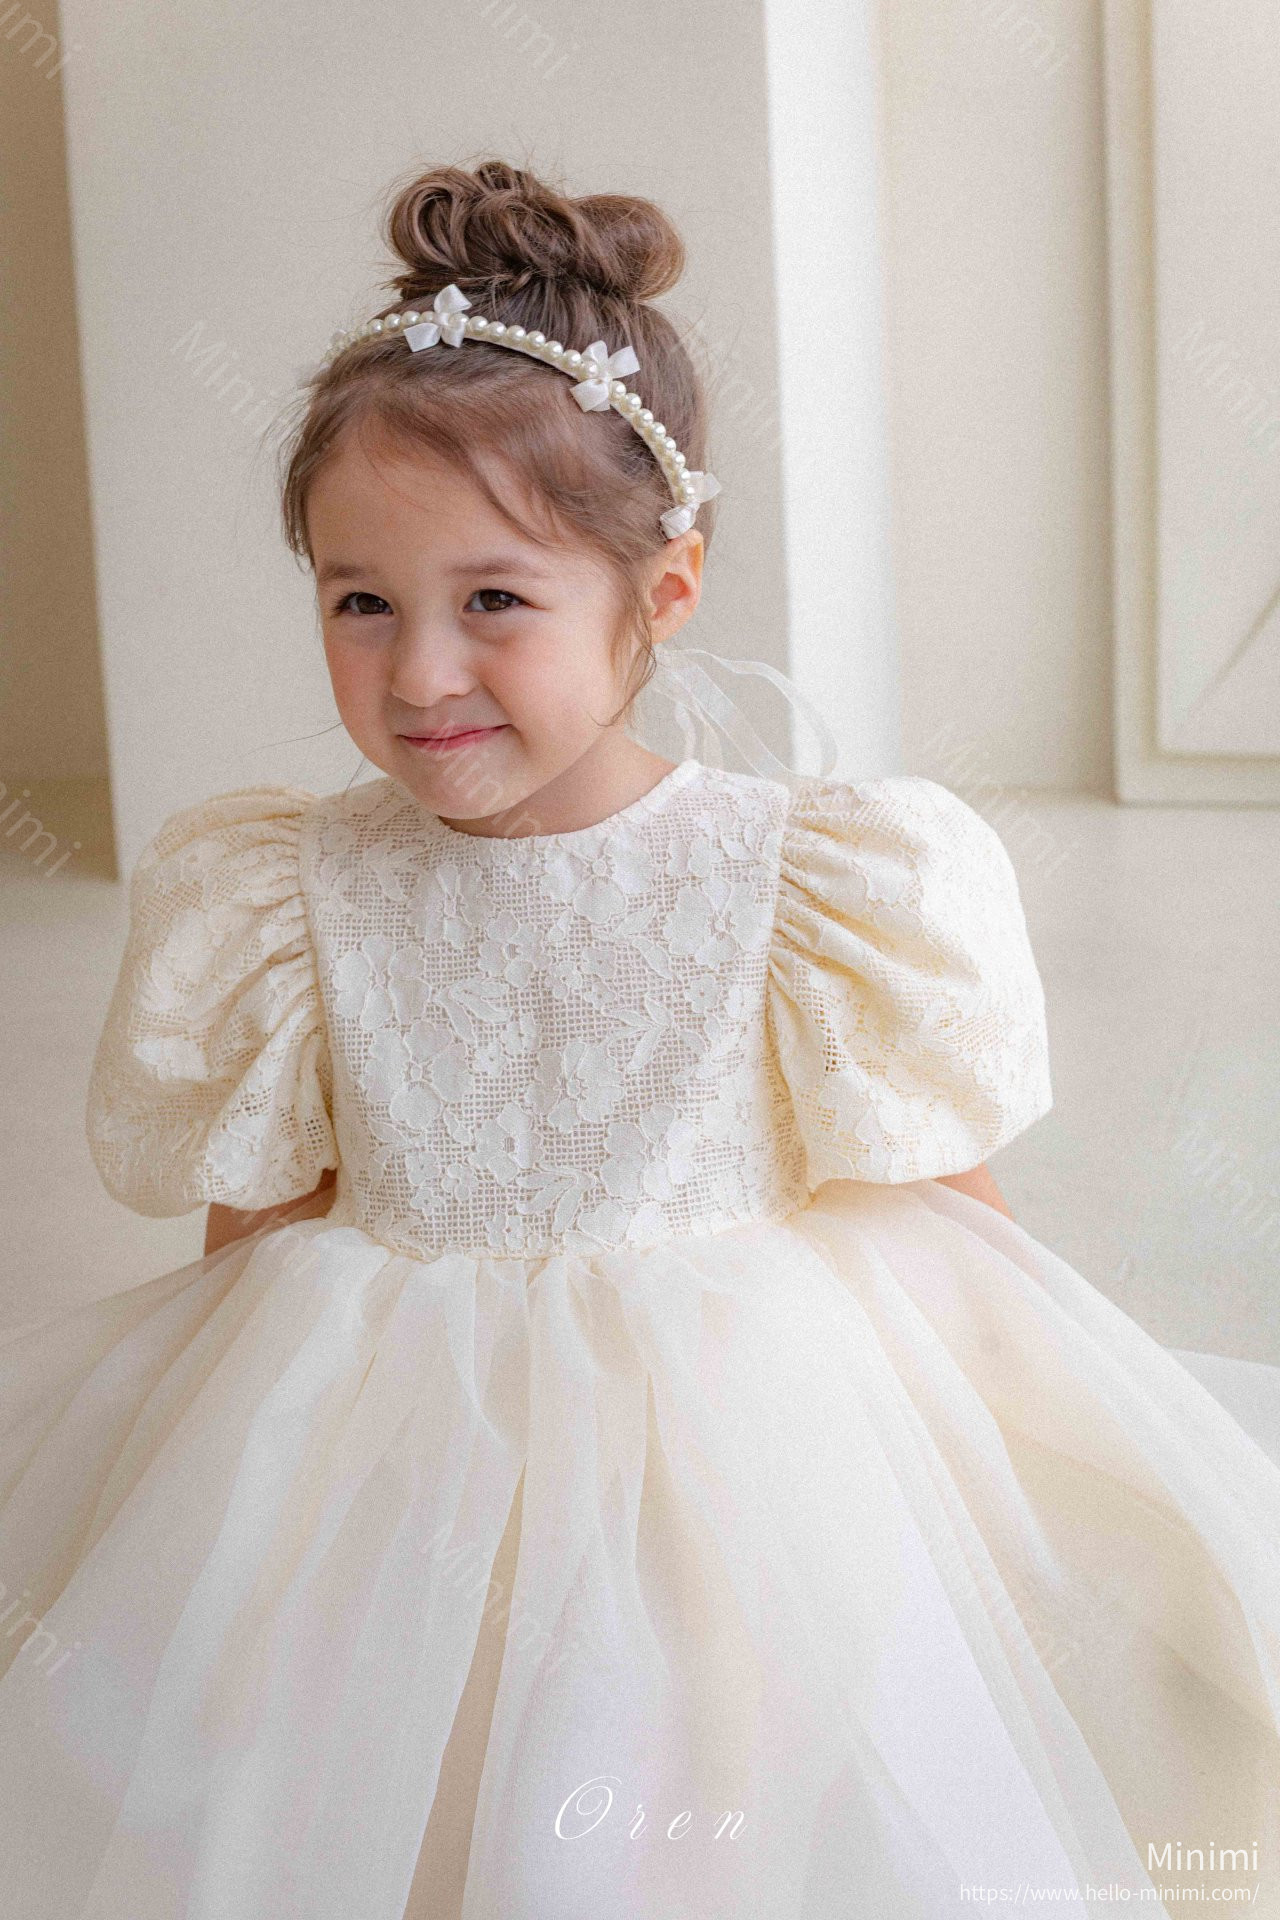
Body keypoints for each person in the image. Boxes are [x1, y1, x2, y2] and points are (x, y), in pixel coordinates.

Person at [1, 156, 1278, 1920]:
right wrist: (198, 1524)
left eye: (495, 601)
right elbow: (257, 1236)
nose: (420, 672)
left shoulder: (803, 881)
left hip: (731, 1469)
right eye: (361, 601)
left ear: (660, 595)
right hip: (390, 1469)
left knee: (695, 1797)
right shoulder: (288, 892)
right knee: (381, 1793)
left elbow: (943, 1215)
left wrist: (1028, 1475)